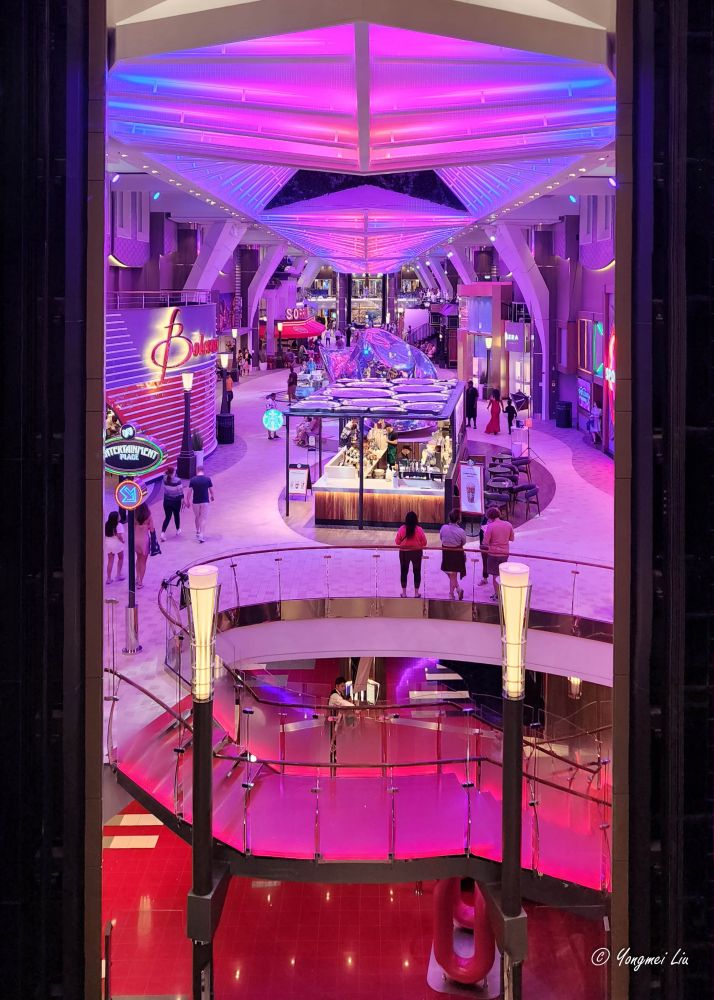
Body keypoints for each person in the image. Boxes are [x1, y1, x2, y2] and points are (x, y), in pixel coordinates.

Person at [481, 505, 515, 601]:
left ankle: (497, 594)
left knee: (495, 575)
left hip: (494, 554)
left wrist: (485, 533)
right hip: (505, 554)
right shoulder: (508, 525)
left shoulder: (490, 527)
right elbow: (512, 538)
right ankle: (503, 592)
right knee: (502, 574)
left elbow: (485, 543)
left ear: (490, 517)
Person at [395, 511, 428, 598]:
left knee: (403, 572)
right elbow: (424, 543)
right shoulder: (419, 530)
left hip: (404, 552)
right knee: (417, 572)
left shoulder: (402, 529)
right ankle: (416, 593)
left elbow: (397, 542)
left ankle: (404, 593)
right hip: (416, 552)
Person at [439, 509, 467, 599]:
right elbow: (464, 542)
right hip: (456, 554)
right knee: (452, 575)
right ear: (459, 519)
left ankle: (451, 594)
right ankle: (458, 589)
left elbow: (441, 538)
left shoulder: (443, 528)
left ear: (449, 518)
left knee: (451, 574)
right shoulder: (461, 531)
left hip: (446, 554)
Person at [187, 467, 214, 543]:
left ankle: (198, 531)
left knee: (197, 517)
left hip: (195, 502)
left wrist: (187, 501)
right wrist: (212, 496)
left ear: (197, 471)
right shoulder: (207, 479)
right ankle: (201, 535)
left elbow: (189, 492)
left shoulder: (192, 480)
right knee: (203, 518)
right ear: (203, 471)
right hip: (205, 501)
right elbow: (211, 491)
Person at [160, 466, 184, 541]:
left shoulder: (164, 478)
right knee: (176, 515)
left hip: (166, 501)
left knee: (167, 517)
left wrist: (167, 471)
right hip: (176, 501)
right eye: (174, 471)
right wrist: (183, 499)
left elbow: (164, 473)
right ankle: (178, 529)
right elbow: (180, 491)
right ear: (173, 472)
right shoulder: (177, 480)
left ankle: (163, 533)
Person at [133, 502, 154, 589]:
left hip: (136, 540)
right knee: (143, 562)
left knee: (138, 559)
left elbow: (132, 528)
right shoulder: (149, 516)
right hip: (145, 541)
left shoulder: (134, 516)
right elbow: (152, 529)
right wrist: (147, 527)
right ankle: (140, 582)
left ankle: (137, 577)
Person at [104, 511, 125, 584]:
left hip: (108, 543)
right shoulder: (119, 525)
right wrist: (122, 541)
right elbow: (119, 535)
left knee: (110, 560)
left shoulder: (107, 524)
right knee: (121, 558)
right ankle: (118, 575)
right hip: (116, 543)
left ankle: (108, 578)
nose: (120, 516)